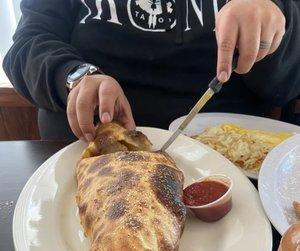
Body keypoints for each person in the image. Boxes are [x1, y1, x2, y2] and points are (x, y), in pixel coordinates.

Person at [3, 0, 300, 141]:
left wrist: (276, 16)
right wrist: (76, 75)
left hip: (224, 158)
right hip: (88, 145)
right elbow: (27, 45)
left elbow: (286, 86)